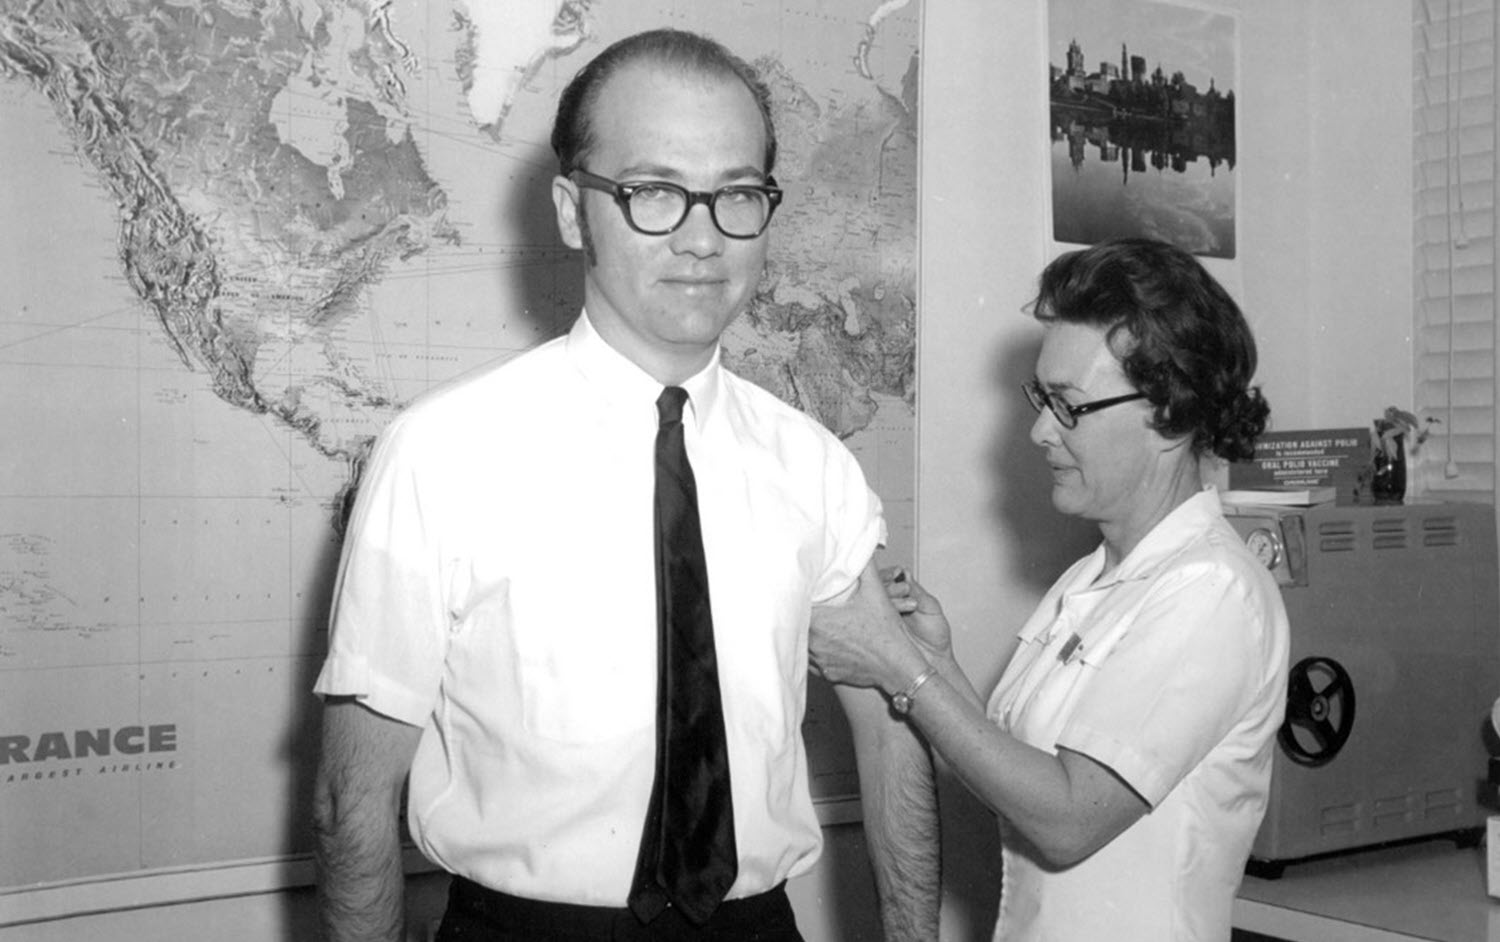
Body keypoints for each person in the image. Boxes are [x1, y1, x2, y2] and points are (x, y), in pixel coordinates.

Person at [310, 27, 937, 942]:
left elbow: (890, 734)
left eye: (737, 195)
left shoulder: (817, 467)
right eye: (652, 192)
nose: (701, 237)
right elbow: (348, 798)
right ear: (573, 212)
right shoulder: (441, 451)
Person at [811, 237, 1291, 941]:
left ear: (1173, 415)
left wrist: (897, 665)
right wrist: (934, 660)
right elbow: (1019, 777)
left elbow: (1066, 820)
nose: (1039, 430)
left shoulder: (1214, 592)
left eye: (1068, 405)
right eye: (1041, 397)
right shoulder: (1095, 576)